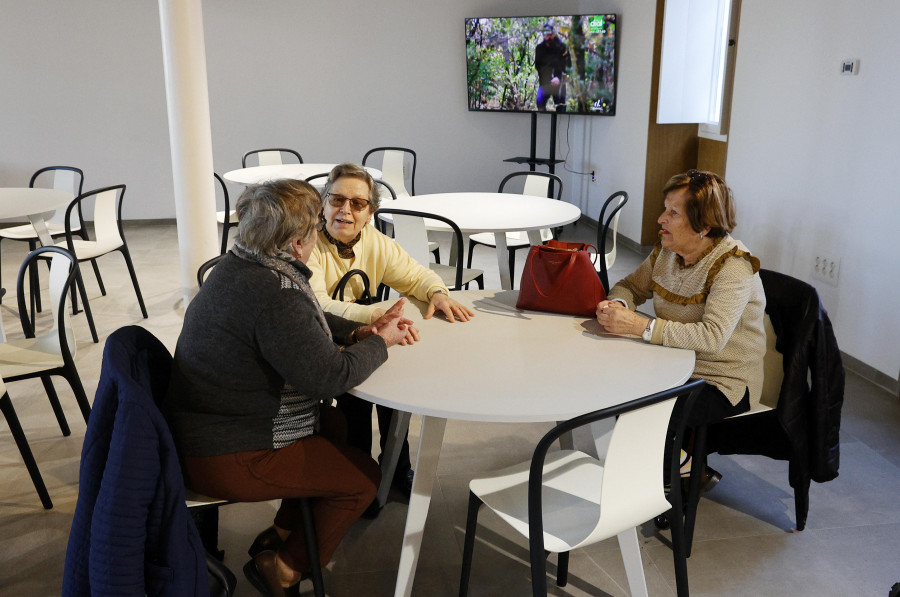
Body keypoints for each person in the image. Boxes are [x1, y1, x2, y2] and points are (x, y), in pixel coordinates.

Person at [165, 179, 411, 596]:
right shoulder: (275, 292)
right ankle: (280, 567)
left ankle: (280, 532)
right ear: (299, 243)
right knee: (363, 480)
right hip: (229, 452)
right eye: (316, 226)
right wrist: (380, 342)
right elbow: (329, 376)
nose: (320, 233)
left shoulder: (244, 264)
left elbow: (304, 320)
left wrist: (358, 332)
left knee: (332, 425)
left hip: (204, 429)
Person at [307, 163, 474, 499]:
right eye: (337, 200)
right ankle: (359, 476)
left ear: (371, 213)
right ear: (323, 203)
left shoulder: (374, 241)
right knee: (354, 400)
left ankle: (396, 465)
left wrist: (437, 293)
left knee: (395, 385)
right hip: (325, 340)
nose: (346, 211)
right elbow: (318, 306)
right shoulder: (308, 242)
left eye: (358, 204)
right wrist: (378, 314)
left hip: (367, 331)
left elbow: (415, 275)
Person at [595, 169, 766, 488]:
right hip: (671, 361)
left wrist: (641, 325)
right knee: (609, 386)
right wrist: (618, 305)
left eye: (673, 212)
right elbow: (631, 286)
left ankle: (679, 475)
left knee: (638, 410)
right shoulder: (667, 253)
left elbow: (712, 338)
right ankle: (677, 467)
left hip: (721, 379)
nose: (661, 219)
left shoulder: (734, 266)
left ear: (703, 225)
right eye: (665, 209)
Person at [534, 23, 570, 112]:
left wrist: (558, 78)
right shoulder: (539, 48)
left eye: (550, 35)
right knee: (540, 103)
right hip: (545, 82)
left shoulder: (562, 47)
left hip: (560, 82)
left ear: (553, 34)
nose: (549, 37)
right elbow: (538, 66)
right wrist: (548, 79)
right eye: (546, 35)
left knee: (561, 107)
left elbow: (568, 66)